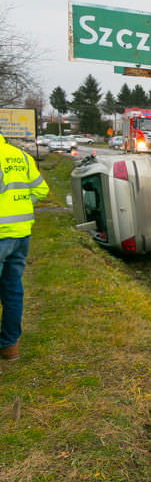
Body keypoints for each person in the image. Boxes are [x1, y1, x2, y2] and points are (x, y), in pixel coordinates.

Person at [0, 132, 50, 361]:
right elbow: (41, 190)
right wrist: (18, 207)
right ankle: (10, 346)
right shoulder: (20, 156)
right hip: (21, 234)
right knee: (12, 291)